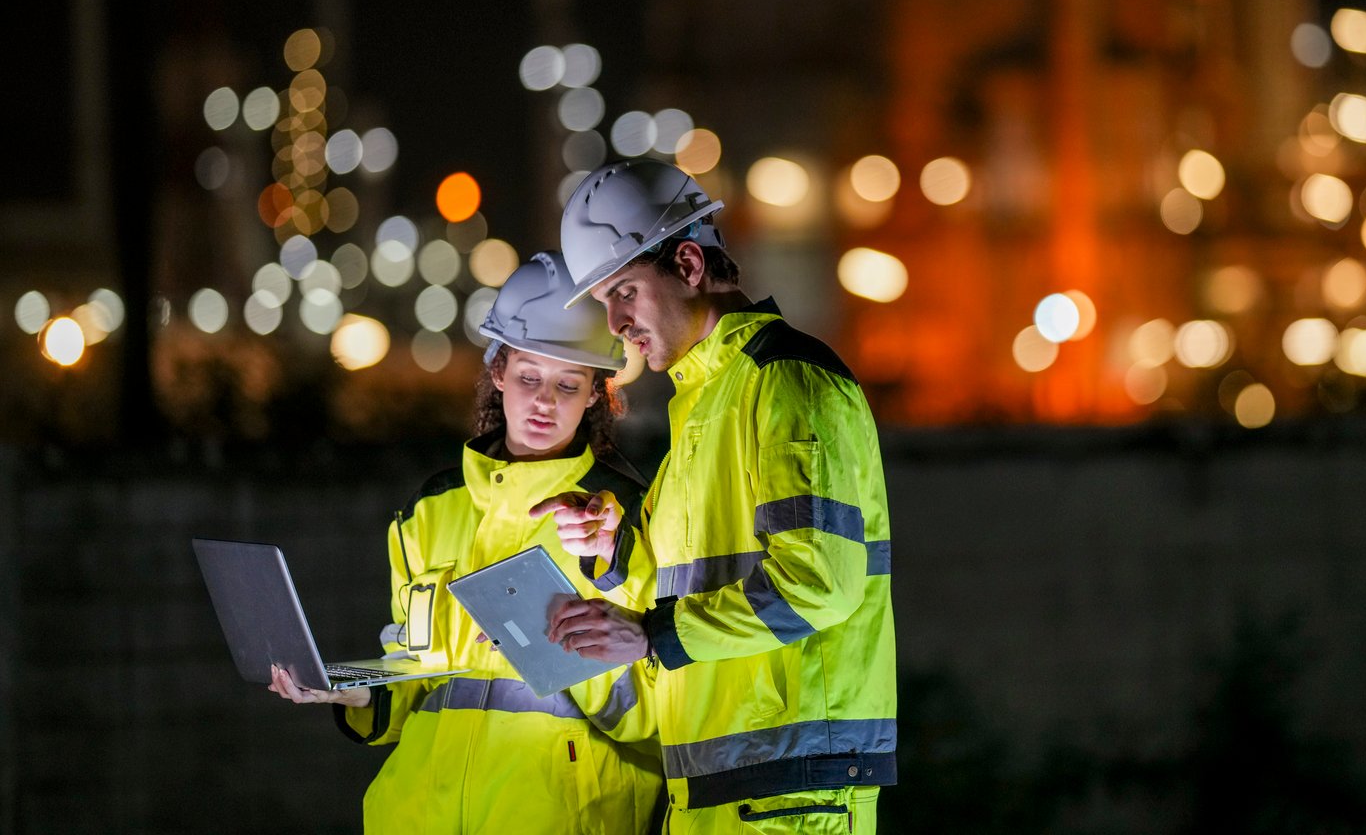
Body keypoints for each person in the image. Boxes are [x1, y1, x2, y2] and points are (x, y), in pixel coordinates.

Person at [535, 160, 896, 834]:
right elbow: (681, 593)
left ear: (690, 263)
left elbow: (819, 582)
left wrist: (648, 636)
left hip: (791, 794)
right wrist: (611, 552)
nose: (615, 323)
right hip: (717, 789)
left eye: (624, 292)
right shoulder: (700, 409)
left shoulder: (786, 382)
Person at [268, 251, 664, 834]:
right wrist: (351, 691)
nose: (545, 402)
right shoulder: (431, 508)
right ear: (498, 372)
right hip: (420, 814)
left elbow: (657, 713)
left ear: (595, 395)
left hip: (559, 816)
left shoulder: (623, 515)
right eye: (529, 376)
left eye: (568, 383)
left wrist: (548, 650)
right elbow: (415, 672)